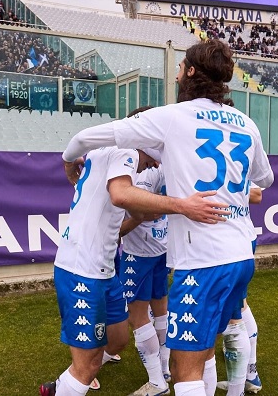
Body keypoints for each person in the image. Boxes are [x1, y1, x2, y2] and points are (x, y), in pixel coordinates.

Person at [61, 39, 274, 396]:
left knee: (183, 366)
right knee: (205, 348)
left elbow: (85, 137)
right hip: (241, 254)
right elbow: (265, 180)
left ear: (190, 72)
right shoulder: (246, 123)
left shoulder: (173, 116)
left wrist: (70, 161)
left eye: (179, 68)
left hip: (204, 259)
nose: (176, 75)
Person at [42, 144, 230, 396]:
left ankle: (70, 381)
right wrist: (183, 206)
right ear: (144, 141)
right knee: (89, 365)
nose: (155, 164)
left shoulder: (108, 155)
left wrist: (69, 164)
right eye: (155, 154)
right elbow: (122, 196)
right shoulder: (125, 153)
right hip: (81, 271)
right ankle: (70, 381)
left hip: (104, 270)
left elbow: (118, 202)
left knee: (118, 341)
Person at [120, 163, 171, 396]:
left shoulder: (143, 171)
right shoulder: (166, 162)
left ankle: (157, 380)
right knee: (160, 309)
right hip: (161, 246)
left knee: (137, 315)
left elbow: (139, 204)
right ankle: (165, 369)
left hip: (140, 252)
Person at [216, 186, 264, 395]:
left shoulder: (239, 153)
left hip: (234, 239)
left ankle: (248, 377)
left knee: (236, 311)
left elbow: (257, 194)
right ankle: (249, 375)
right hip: (229, 237)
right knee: (239, 305)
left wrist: (221, 190)